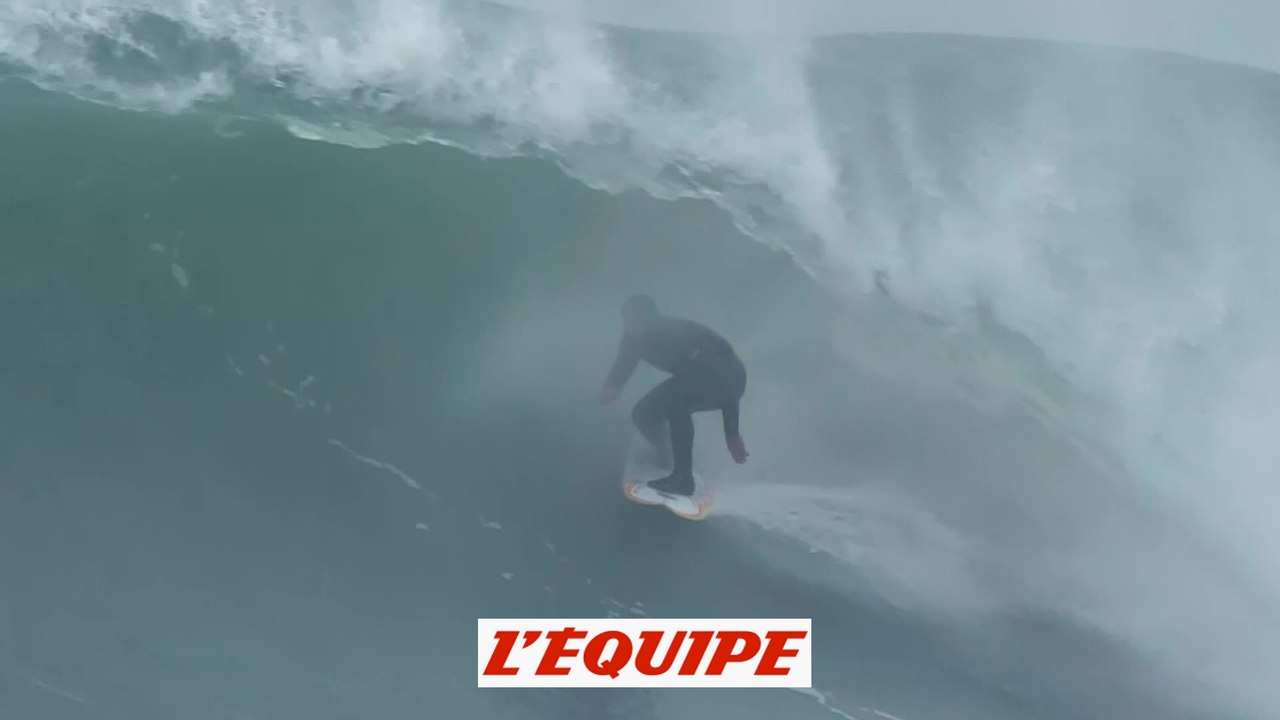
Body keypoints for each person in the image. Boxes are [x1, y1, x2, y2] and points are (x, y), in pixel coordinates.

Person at [599, 294, 749, 496]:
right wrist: (613, 386)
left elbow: (724, 376)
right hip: (693, 379)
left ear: (650, 320)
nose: (628, 326)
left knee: (675, 402)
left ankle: (682, 479)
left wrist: (731, 432)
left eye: (634, 321)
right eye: (626, 320)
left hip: (729, 378)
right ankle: (667, 453)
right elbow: (625, 362)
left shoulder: (676, 337)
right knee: (642, 414)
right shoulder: (633, 339)